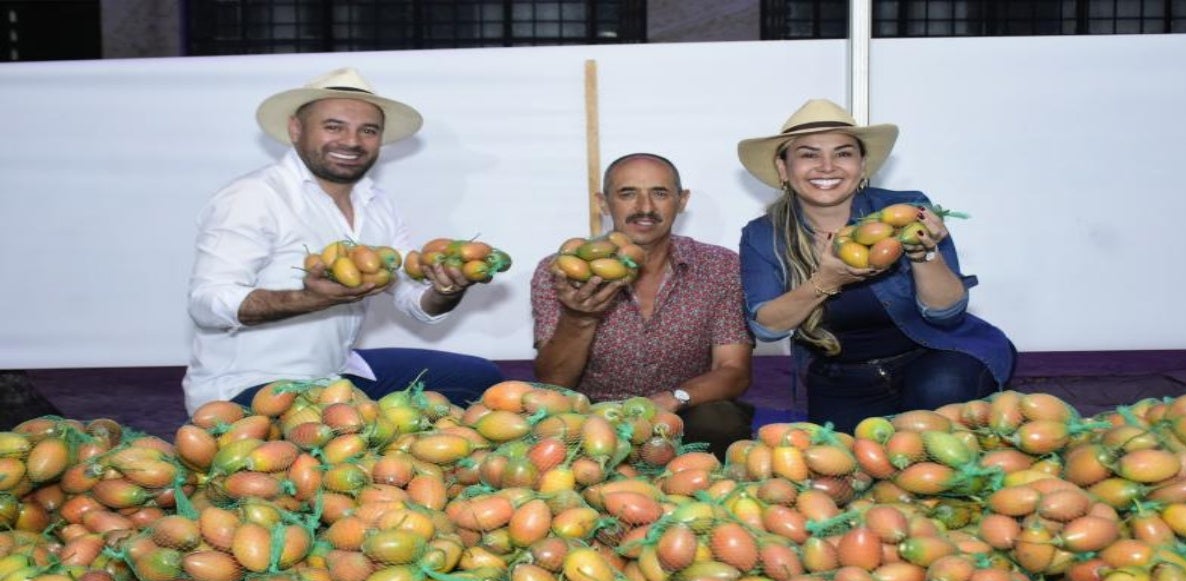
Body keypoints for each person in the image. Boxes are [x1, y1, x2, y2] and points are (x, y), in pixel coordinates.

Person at [183, 67, 504, 415]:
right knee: (343, 434)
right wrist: (307, 299)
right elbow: (206, 303)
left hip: (333, 376)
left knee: (479, 378)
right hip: (249, 387)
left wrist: (447, 291)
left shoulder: (376, 203)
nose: (352, 142)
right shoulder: (252, 197)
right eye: (333, 126)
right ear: (296, 129)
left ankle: (369, 426)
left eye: (367, 130)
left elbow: (415, 303)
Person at [736, 99, 1016, 432]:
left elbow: (946, 312)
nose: (827, 167)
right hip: (842, 377)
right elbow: (768, 327)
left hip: (937, 356)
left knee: (934, 408)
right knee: (847, 467)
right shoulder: (763, 235)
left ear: (863, 164)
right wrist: (824, 281)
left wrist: (923, 254)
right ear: (784, 169)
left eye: (843, 153)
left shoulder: (907, 209)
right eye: (809, 154)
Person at [531, 153, 755, 459]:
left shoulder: (720, 267)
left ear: (682, 200)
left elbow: (733, 371)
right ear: (603, 202)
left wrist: (672, 399)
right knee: (557, 436)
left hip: (681, 409)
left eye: (660, 193)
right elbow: (553, 384)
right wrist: (579, 318)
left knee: (720, 420)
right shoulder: (563, 271)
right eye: (627, 194)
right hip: (594, 415)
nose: (645, 208)